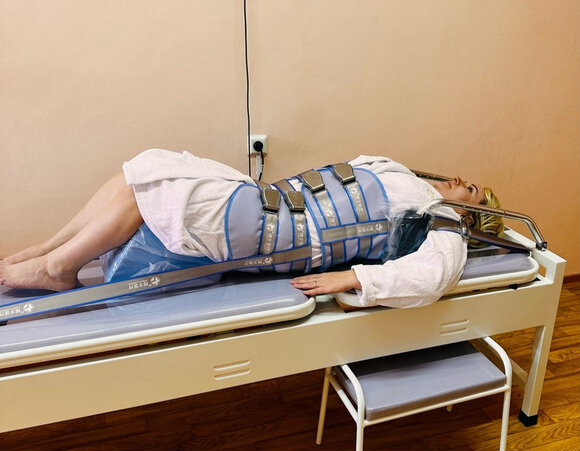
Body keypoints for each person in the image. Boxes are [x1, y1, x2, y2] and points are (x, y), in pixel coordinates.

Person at [0, 150, 502, 308]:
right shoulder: (403, 173)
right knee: (147, 166)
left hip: (271, 232)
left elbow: (434, 277)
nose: (463, 182)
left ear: (471, 216)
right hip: (267, 202)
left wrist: (355, 278)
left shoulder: (442, 220)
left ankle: (57, 268)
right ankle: (47, 251)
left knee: (156, 189)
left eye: (474, 191)